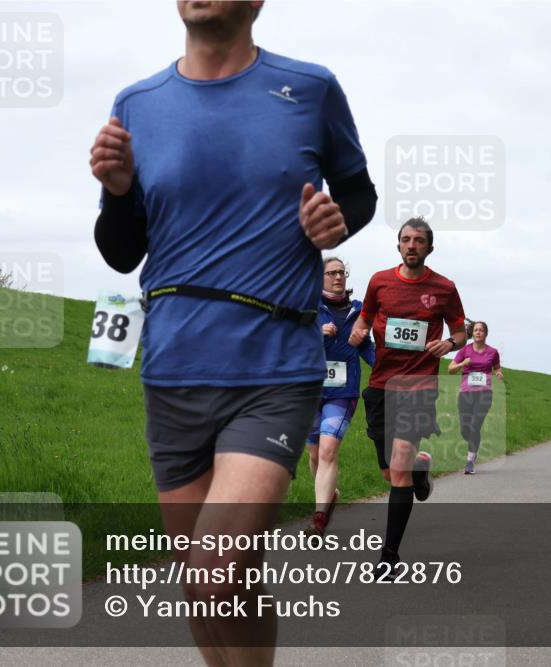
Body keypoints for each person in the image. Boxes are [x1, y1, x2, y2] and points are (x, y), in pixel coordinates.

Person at [89, 2, 376, 664]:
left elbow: (359, 194)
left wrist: (337, 223)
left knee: (219, 568)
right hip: (171, 369)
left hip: (272, 369)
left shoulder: (309, 88)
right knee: (201, 581)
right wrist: (120, 190)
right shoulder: (136, 103)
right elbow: (120, 252)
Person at [349, 217, 467, 577]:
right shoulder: (379, 282)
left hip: (418, 387)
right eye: (406, 239)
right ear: (398, 246)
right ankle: (420, 470)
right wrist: (358, 332)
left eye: (419, 240)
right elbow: (365, 320)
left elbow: (460, 332)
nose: (411, 245)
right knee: (390, 471)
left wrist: (448, 344)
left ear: (429, 247)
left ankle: (389, 558)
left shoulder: (444, 288)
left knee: (398, 461)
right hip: (381, 384)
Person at [304, 257, 375, 537]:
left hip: (343, 392)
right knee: (314, 454)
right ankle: (329, 494)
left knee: (328, 450)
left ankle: (319, 518)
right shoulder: (308, 309)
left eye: (341, 272)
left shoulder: (359, 312)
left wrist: (386, 370)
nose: (338, 277)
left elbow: (368, 349)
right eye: (331, 272)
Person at [448, 321, 503, 474]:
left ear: (486, 333)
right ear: (472, 333)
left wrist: (498, 372)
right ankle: (474, 443)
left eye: (481, 330)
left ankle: (470, 461)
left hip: (484, 394)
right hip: (466, 393)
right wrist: (462, 364)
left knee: (474, 426)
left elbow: (497, 367)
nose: (478, 332)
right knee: (465, 429)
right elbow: (450, 369)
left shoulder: (493, 352)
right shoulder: (465, 351)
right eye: (476, 330)